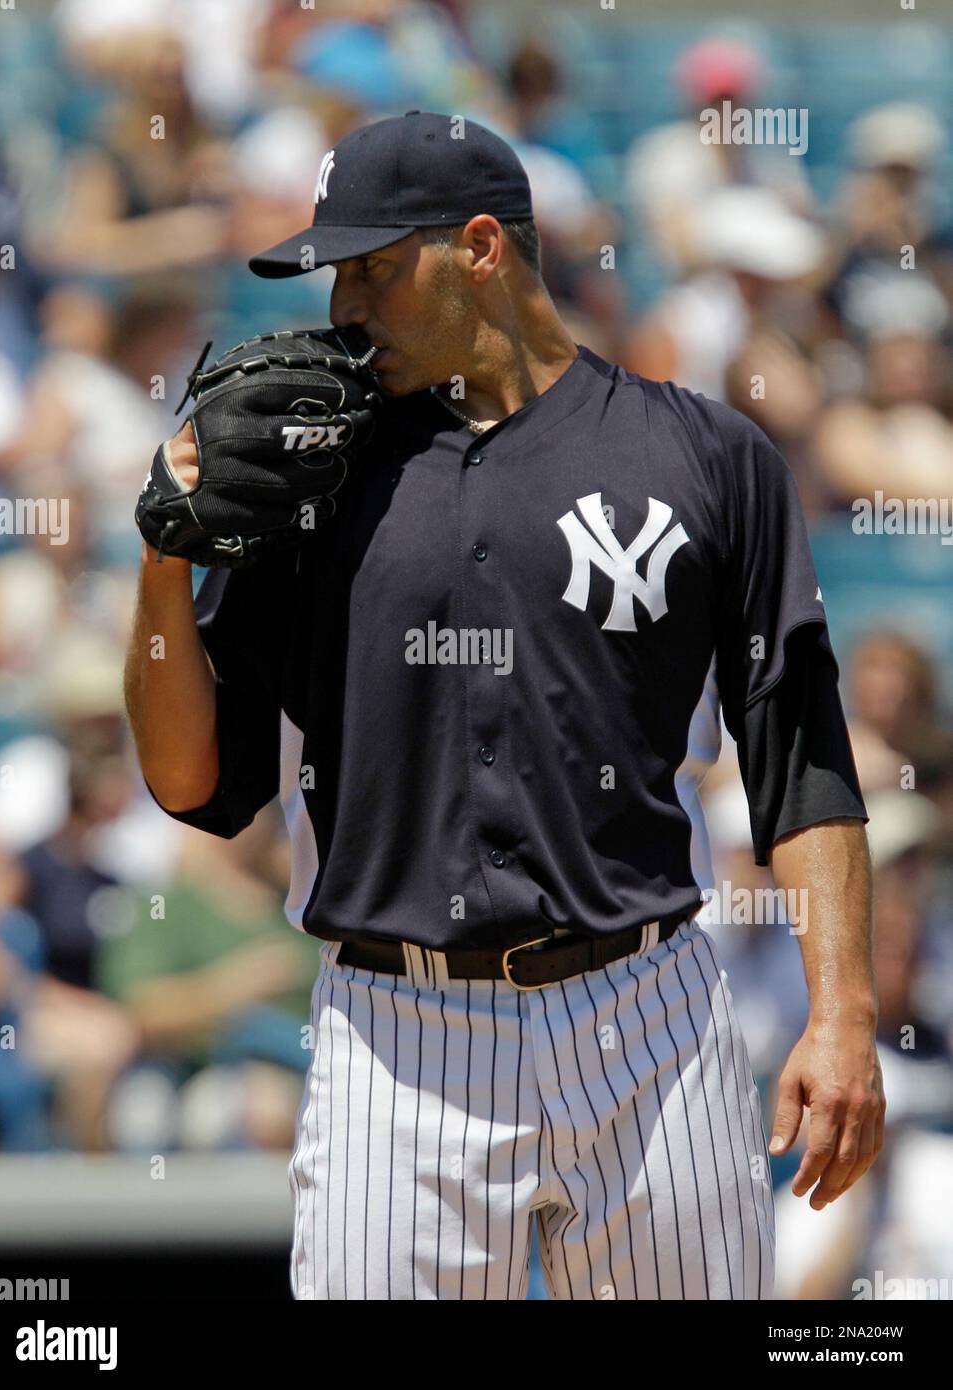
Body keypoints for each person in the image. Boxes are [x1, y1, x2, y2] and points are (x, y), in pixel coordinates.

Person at [124, 111, 882, 1301]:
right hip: (396, 1030)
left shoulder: (707, 457)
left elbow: (804, 757)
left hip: (650, 1017)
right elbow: (190, 782)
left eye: (375, 267)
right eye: (335, 275)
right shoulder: (310, 466)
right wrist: (163, 557)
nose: (345, 309)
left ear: (482, 247)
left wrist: (842, 1013)